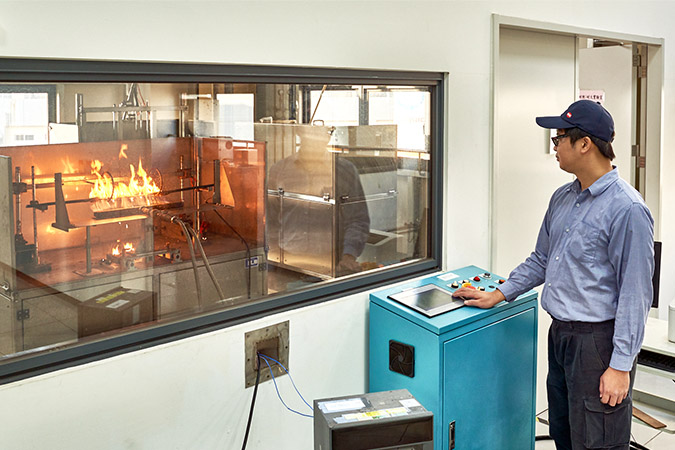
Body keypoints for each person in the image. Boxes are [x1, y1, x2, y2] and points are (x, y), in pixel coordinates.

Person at [453, 100, 654, 450]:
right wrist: (499, 293)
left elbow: (635, 294)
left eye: (558, 139)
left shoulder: (627, 209)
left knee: (598, 440)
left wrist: (621, 366)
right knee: (565, 432)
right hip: (560, 335)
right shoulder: (563, 198)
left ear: (584, 144)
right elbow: (542, 259)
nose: (555, 147)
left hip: (598, 343)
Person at [268, 125, 370, 277]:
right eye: (311, 132)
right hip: (286, 262)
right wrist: (273, 259)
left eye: (323, 132)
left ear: (328, 137)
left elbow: (358, 219)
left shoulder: (344, 170)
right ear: (299, 132)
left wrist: (348, 256)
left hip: (331, 262)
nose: (316, 137)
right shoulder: (279, 170)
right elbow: (269, 219)